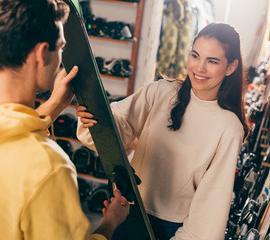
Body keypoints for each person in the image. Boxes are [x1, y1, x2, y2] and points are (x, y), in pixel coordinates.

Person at [0, 0, 129, 239]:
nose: (61, 57)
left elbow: (2, 132)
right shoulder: (47, 169)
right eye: (60, 47)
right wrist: (109, 225)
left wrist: (54, 105)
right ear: (41, 53)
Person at [77, 22, 250, 239]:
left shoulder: (229, 127)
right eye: (195, 55)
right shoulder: (161, 92)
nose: (199, 67)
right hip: (127, 210)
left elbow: (211, 204)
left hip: (171, 230)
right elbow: (119, 123)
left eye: (212, 61)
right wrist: (96, 118)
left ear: (231, 67)